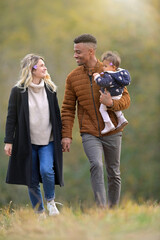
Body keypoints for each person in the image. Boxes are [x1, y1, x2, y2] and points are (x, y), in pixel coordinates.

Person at [61, 34, 130, 208]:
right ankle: (101, 209)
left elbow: (126, 100)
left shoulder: (110, 71)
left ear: (91, 51)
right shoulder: (72, 78)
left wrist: (111, 103)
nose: (75, 55)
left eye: (78, 52)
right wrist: (66, 135)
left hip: (113, 131)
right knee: (96, 165)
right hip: (89, 132)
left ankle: (113, 211)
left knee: (113, 172)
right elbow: (68, 108)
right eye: (74, 52)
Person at [4, 53, 63, 216]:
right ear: (32, 69)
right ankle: (40, 213)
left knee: (46, 170)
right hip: (27, 142)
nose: (45, 68)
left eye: (44, 65)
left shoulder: (50, 89)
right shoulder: (18, 91)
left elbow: (56, 116)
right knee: (31, 178)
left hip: (48, 141)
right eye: (41, 65)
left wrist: (64, 137)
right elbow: (11, 117)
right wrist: (9, 141)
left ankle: (50, 202)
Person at [93, 51, 131, 134]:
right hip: (118, 95)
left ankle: (108, 124)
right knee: (115, 109)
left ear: (113, 67)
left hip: (111, 96)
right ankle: (122, 119)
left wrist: (97, 77)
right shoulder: (119, 74)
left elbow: (103, 83)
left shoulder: (109, 75)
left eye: (105, 66)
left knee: (102, 109)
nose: (103, 68)